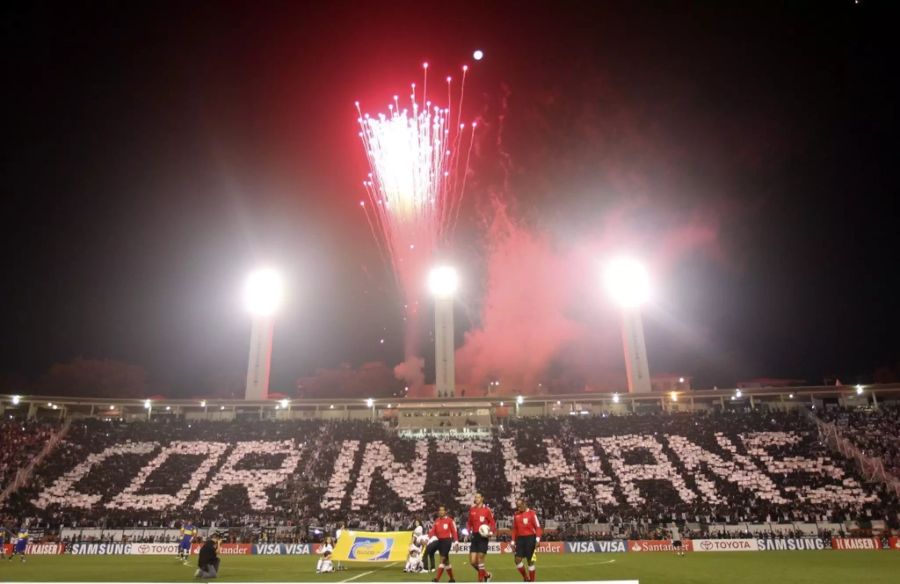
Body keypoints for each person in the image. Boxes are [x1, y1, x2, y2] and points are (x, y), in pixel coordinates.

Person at [467, 493, 495, 583]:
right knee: (472, 562)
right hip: (475, 536)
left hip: (483, 536)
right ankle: (487, 575)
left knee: (480, 558)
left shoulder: (487, 510)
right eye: (475, 497)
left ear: (482, 498)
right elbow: (469, 523)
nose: (476, 498)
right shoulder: (472, 509)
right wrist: (468, 532)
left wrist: (490, 532)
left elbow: (492, 522)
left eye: (478, 497)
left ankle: (480, 581)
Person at [511, 498, 541, 582]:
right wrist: (513, 542)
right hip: (520, 539)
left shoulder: (532, 513)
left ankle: (532, 581)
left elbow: (538, 527)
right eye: (517, 507)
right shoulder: (516, 514)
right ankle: (525, 577)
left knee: (530, 561)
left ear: (524, 504)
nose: (518, 508)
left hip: (530, 538)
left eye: (520, 506)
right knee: (517, 560)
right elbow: (514, 529)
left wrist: (537, 540)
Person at [430, 505, 458, 583]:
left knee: (442, 559)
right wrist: (429, 537)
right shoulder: (437, 521)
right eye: (440, 510)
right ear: (439, 512)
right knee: (446, 561)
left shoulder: (450, 520)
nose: (441, 511)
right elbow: (433, 531)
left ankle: (437, 579)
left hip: (447, 541)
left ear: (445, 512)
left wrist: (456, 542)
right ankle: (452, 579)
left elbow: (454, 531)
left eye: (443, 510)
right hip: (439, 542)